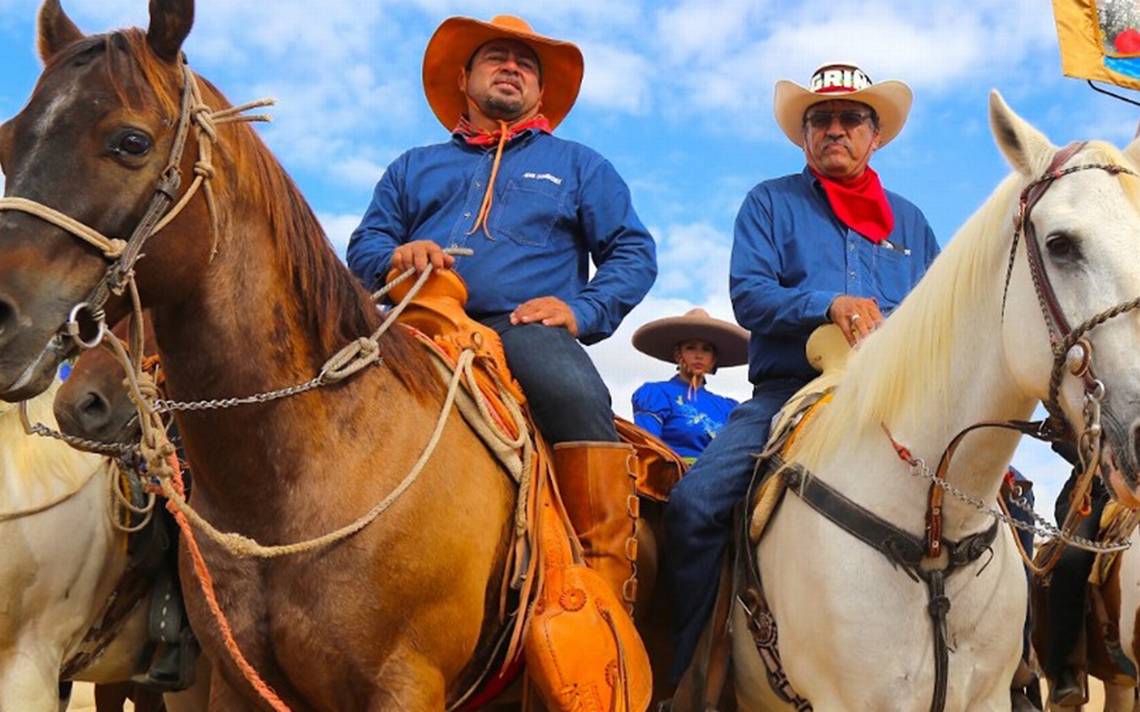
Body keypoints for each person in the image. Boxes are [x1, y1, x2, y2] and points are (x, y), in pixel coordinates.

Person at [346, 15, 657, 607]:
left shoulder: (579, 164)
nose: (512, 67)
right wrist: (396, 257)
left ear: (540, 92)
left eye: (526, 64)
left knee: (569, 389)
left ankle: (603, 574)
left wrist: (581, 308)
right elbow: (364, 245)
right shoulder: (413, 166)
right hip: (411, 324)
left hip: (518, 329)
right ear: (465, 79)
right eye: (496, 57)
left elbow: (632, 251)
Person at [664, 62, 941, 679]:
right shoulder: (769, 203)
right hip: (791, 392)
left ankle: (1017, 668)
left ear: (876, 137)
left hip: (898, 397)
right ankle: (677, 676)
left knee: (997, 504)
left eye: (850, 119)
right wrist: (827, 304)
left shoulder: (913, 223)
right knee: (694, 504)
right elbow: (750, 295)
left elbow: (939, 315)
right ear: (805, 136)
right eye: (821, 120)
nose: (835, 130)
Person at [630, 308, 747, 464]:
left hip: (720, 479)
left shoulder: (728, 407)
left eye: (706, 349)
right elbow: (647, 449)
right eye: (690, 348)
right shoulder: (657, 394)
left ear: (713, 359)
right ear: (678, 354)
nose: (699, 355)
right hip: (673, 479)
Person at [1043, 441, 1110, 706]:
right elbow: (1061, 439)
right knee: (1072, 562)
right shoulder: (1094, 399)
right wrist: (1097, 459)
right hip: (1092, 496)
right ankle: (1064, 669)